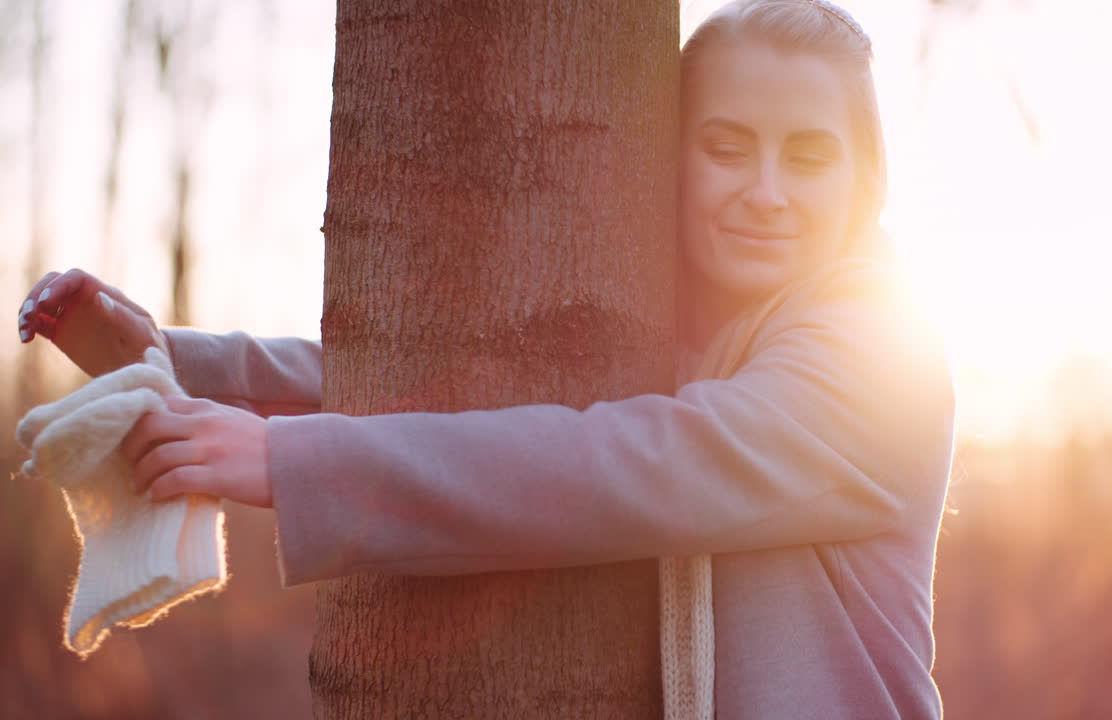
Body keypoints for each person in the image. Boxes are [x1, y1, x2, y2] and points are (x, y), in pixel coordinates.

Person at [17, 1, 955, 717]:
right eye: (725, 146)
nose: (764, 191)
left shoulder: (882, 355)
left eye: (808, 156)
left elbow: (627, 461)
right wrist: (180, 362)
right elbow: (466, 394)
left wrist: (293, 462)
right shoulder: (704, 335)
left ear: (866, 181)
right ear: (667, 161)